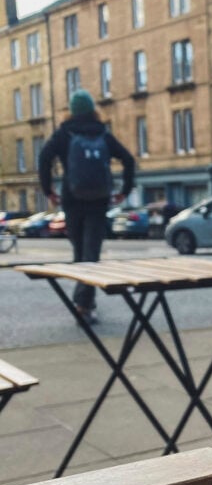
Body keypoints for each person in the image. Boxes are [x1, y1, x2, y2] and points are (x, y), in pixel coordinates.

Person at [39, 90, 135, 324]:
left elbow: (44, 157)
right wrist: (125, 190)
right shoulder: (102, 131)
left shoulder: (64, 132)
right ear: (93, 109)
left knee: (80, 251)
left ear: (72, 110)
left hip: (72, 200)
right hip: (99, 201)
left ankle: (83, 302)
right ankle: (84, 303)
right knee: (91, 253)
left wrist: (48, 190)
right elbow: (128, 159)